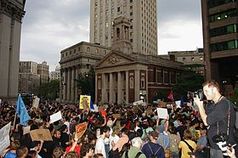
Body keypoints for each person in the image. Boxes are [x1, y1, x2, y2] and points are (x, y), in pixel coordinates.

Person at [194, 80, 237, 158]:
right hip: (214, 146)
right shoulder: (212, 105)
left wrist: (200, 105)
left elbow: (206, 122)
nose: (205, 94)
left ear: (214, 89)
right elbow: (205, 118)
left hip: (223, 148)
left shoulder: (223, 104)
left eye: (206, 91)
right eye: (204, 91)